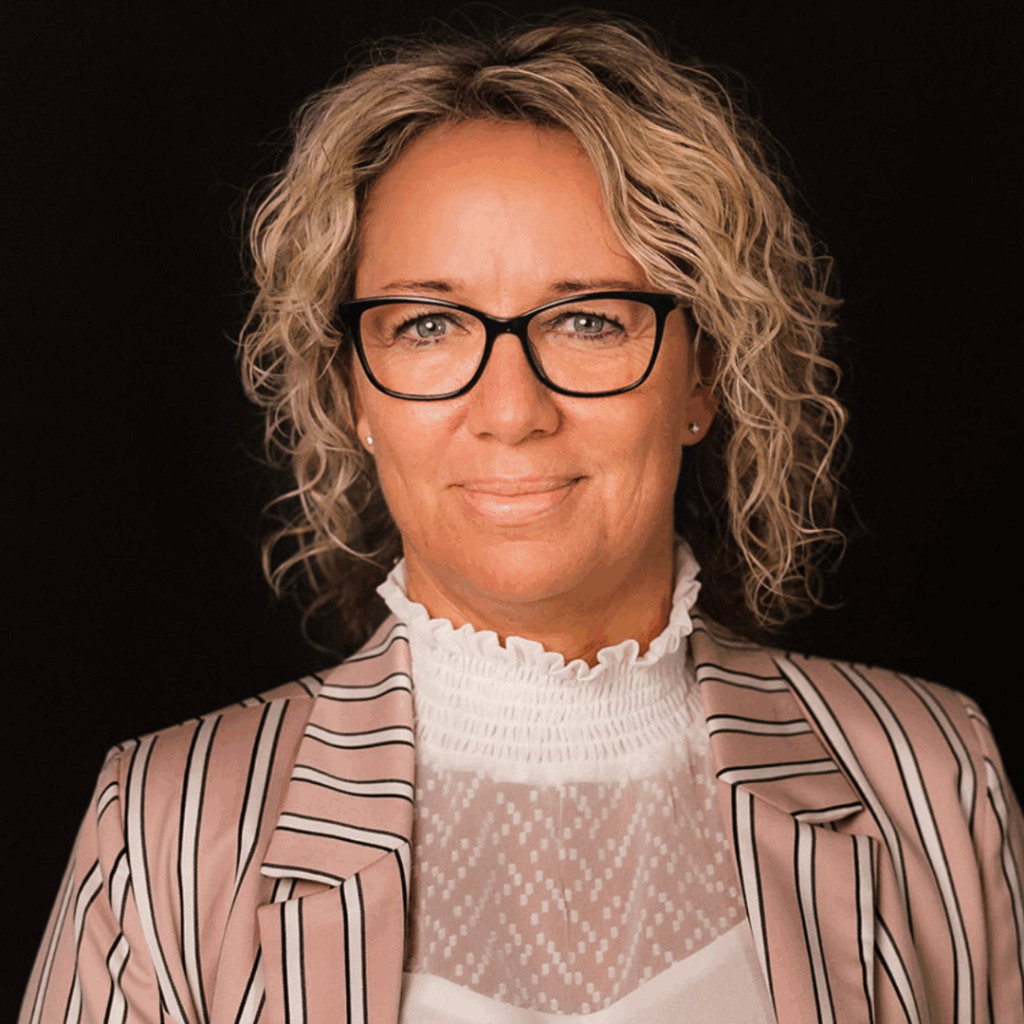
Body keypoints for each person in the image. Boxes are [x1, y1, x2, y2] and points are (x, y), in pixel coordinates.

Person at [19, 13, 1024, 1024]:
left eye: (587, 320)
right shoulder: (162, 829)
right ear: (353, 389)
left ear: (703, 374)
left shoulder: (932, 775)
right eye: (428, 325)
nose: (510, 410)